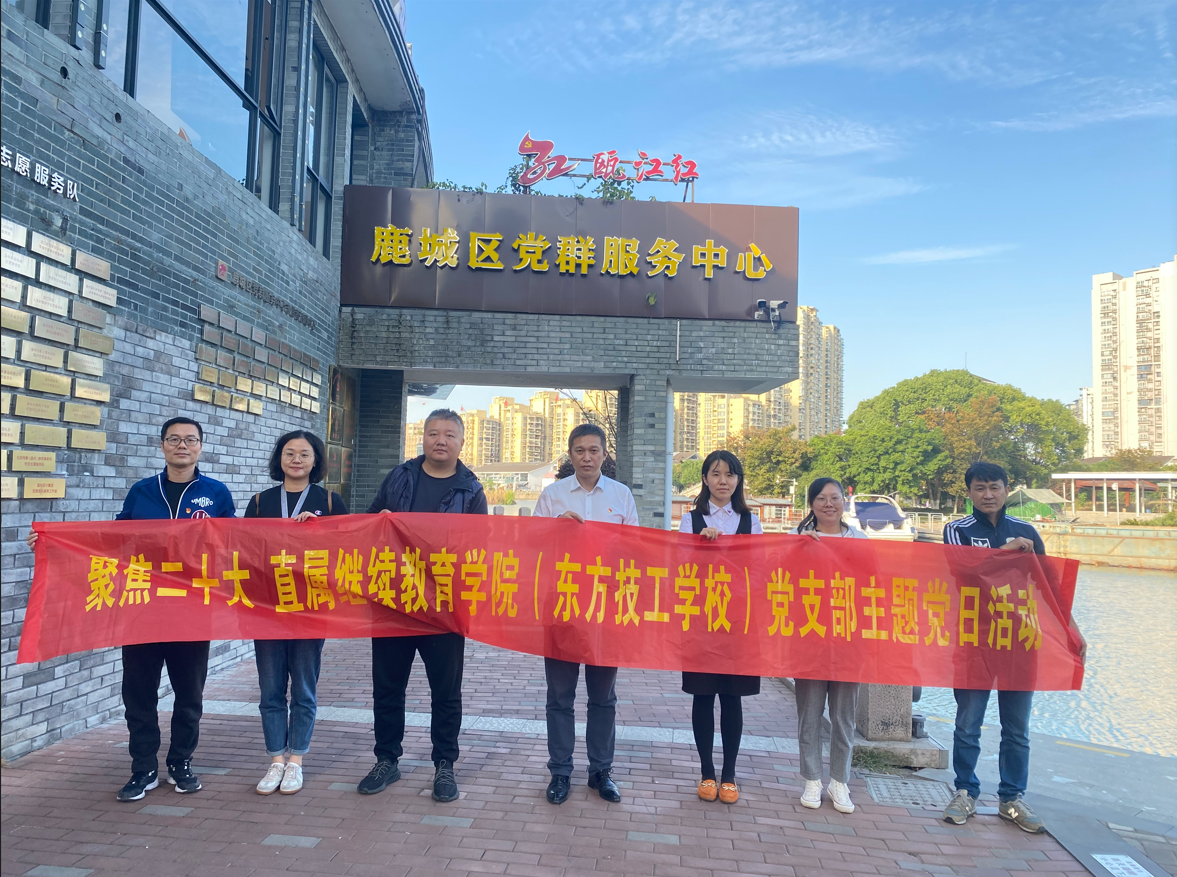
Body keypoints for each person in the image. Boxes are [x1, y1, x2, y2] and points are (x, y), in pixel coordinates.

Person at [27, 417, 235, 802]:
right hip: (141, 609)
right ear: (162, 446)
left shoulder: (216, 493)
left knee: (189, 695)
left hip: (192, 612)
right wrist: (52, 542)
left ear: (201, 447)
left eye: (190, 440)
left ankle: (181, 763)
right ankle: (143, 768)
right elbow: (114, 539)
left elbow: (234, 543)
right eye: (174, 439)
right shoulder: (142, 491)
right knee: (139, 695)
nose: (182, 445)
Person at [941, 461, 1086, 834]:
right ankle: (965, 791)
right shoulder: (957, 530)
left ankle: (1011, 798)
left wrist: (1071, 629)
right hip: (973, 640)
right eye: (980, 488)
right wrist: (1008, 551)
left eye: (995, 487)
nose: (988, 495)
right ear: (969, 493)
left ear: (1007, 490)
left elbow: (1049, 585)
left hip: (1020, 639)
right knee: (968, 724)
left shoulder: (1027, 531)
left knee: (1017, 728)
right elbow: (964, 571)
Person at [357, 409, 487, 803]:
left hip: (443, 608)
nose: (440, 440)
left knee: (446, 692)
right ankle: (386, 760)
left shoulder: (471, 490)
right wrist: (377, 521)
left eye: (449, 434)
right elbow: (368, 523)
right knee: (387, 688)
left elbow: (480, 548)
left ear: (461, 442)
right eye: (433, 433)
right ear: (423, 437)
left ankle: (445, 765)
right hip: (393, 601)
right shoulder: (399, 477)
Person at [533, 423, 639, 805]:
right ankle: (560, 771)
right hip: (562, 606)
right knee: (560, 696)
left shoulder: (622, 496)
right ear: (570, 455)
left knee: (603, 697)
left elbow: (635, 549)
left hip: (606, 609)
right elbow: (532, 547)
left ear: (605, 454)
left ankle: (601, 771)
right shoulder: (553, 496)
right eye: (580, 450)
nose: (587, 457)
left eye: (594, 450)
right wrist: (556, 531)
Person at [244, 430, 348, 796]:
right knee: (270, 689)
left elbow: (348, 549)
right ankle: (275, 759)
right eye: (289, 453)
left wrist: (320, 531)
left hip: (310, 609)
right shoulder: (260, 501)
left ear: (316, 460)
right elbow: (244, 550)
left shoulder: (329, 501)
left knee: (304, 687)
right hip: (268, 609)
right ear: (279, 458)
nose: (297, 460)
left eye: (304, 454)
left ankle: (296, 761)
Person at [679, 449, 762, 805]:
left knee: (732, 697)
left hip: (739, 623)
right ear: (704, 479)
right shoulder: (691, 520)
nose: (723, 481)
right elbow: (681, 568)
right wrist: (700, 546)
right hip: (702, 622)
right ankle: (706, 772)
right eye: (715, 474)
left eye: (729, 474)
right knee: (703, 695)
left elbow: (759, 569)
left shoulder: (750, 521)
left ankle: (729, 775)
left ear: (738, 480)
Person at [791, 477, 868, 814]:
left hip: (849, 639)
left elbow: (874, 583)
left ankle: (840, 781)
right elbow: (780, 580)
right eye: (821, 498)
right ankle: (811, 779)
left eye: (835, 498)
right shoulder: (797, 538)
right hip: (809, 638)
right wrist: (800, 549)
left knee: (843, 716)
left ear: (844, 503)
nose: (828, 504)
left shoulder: (860, 540)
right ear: (811, 504)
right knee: (809, 713)